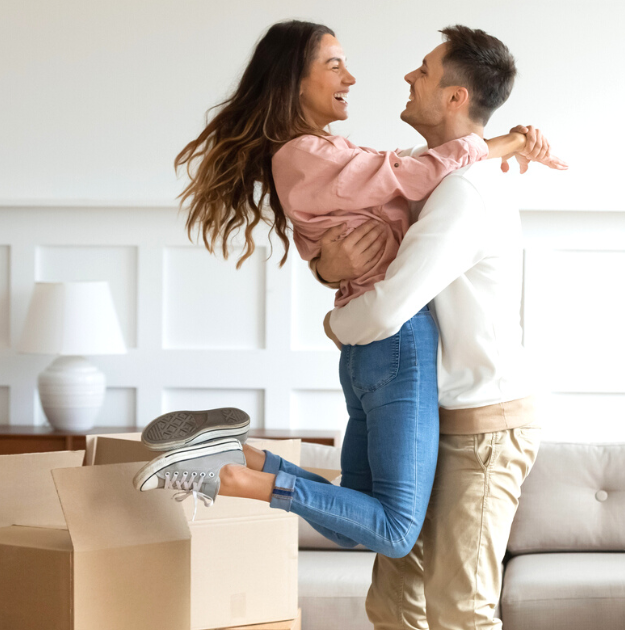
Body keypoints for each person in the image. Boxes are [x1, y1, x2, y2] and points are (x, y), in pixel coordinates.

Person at [129, 20, 561, 561]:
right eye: (334, 65)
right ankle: (238, 478)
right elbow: (412, 173)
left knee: (351, 521)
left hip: (373, 352)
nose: (351, 77)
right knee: (396, 531)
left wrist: (329, 273)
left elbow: (395, 191)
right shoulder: (308, 154)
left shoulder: (324, 154)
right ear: (294, 81)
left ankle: (238, 457)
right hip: (397, 344)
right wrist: (510, 140)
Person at [316, 26, 544, 630]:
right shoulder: (431, 174)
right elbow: (351, 248)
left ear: (453, 96)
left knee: (459, 614)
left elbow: (387, 307)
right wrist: (326, 266)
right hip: (422, 420)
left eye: (423, 69)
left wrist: (335, 324)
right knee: (395, 606)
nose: (409, 78)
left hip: (480, 433)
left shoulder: (465, 193)